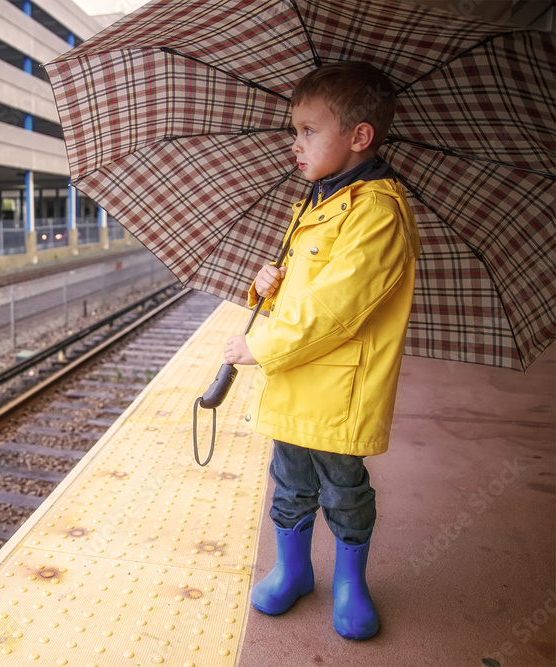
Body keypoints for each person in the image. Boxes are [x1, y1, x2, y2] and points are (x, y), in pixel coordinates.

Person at [222, 61, 420, 640]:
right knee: (289, 482)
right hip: (295, 384)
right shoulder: (315, 202)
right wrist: (269, 282)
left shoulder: (378, 211)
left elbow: (335, 309)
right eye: (294, 130)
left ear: (360, 137)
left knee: (343, 489)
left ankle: (349, 583)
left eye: (309, 130)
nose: (295, 144)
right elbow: (308, 288)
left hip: (338, 393)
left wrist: (256, 344)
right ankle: (294, 569)